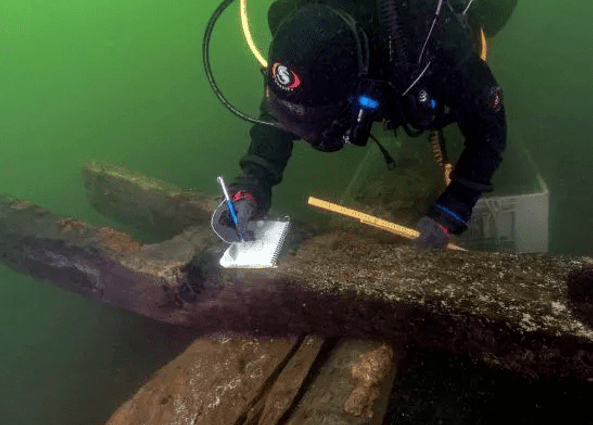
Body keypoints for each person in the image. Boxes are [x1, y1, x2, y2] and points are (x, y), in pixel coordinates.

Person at [211, 0, 517, 249]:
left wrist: (450, 212)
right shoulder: (291, 18)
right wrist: (251, 185)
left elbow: (489, 131)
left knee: (488, 20)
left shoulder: (433, 41)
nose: (305, 135)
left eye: (319, 122)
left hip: (433, 39)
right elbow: (281, 112)